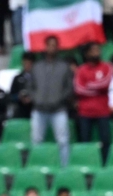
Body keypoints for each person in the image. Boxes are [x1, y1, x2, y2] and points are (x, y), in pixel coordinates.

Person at [29, 36, 73, 167]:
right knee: (36, 141)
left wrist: (59, 99)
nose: (52, 48)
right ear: (45, 46)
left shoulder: (64, 67)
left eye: (54, 45)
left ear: (58, 47)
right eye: (49, 45)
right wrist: (35, 98)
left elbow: (69, 87)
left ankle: (64, 169)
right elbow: (30, 86)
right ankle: (36, 167)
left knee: (63, 141)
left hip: (58, 110)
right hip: (39, 110)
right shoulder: (37, 67)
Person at [74, 43, 113, 162]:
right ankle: (87, 163)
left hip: (103, 111)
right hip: (85, 112)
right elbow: (78, 89)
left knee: (106, 140)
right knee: (85, 141)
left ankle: (105, 164)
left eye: (98, 49)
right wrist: (96, 89)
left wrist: (89, 86)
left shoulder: (107, 67)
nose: (97, 52)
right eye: (93, 50)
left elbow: (105, 83)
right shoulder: (81, 70)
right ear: (87, 53)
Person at [10, 52, 35, 119]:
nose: (27, 65)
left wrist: (32, 98)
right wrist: (19, 97)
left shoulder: (38, 79)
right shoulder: (17, 78)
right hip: (20, 108)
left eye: (29, 63)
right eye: (25, 63)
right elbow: (11, 96)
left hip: (35, 109)